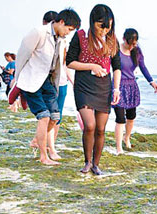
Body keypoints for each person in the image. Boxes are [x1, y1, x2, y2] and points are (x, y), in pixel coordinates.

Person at [15, 8, 81, 165]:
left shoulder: (61, 39)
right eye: (69, 29)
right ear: (62, 22)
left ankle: (37, 141)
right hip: (31, 80)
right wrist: (17, 83)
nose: (68, 33)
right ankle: (43, 156)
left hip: (48, 82)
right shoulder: (38, 32)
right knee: (44, 116)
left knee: (55, 117)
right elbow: (21, 57)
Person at [66, 4, 121, 175]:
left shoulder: (112, 40)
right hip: (84, 85)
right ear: (92, 22)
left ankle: (96, 164)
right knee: (89, 125)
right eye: (101, 26)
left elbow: (117, 67)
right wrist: (92, 66)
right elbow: (70, 62)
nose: (104, 30)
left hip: (104, 87)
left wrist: (116, 89)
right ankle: (87, 162)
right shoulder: (81, 35)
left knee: (101, 129)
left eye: (108, 27)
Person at [113, 28, 157, 155]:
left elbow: (143, 67)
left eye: (135, 44)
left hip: (131, 86)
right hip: (118, 86)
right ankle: (118, 148)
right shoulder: (116, 49)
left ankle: (126, 137)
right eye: (130, 43)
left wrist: (152, 82)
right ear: (124, 39)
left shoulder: (137, 52)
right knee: (120, 118)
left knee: (131, 116)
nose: (132, 46)